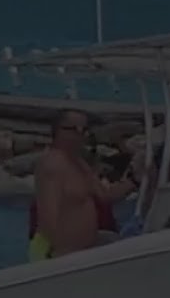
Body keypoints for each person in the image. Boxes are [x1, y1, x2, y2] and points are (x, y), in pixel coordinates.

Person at [29, 109, 140, 261]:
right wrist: (62, 257)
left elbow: (104, 195)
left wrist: (135, 180)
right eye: (72, 129)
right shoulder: (52, 165)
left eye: (83, 130)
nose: (79, 135)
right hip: (59, 252)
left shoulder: (79, 162)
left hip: (85, 248)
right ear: (56, 131)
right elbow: (47, 219)